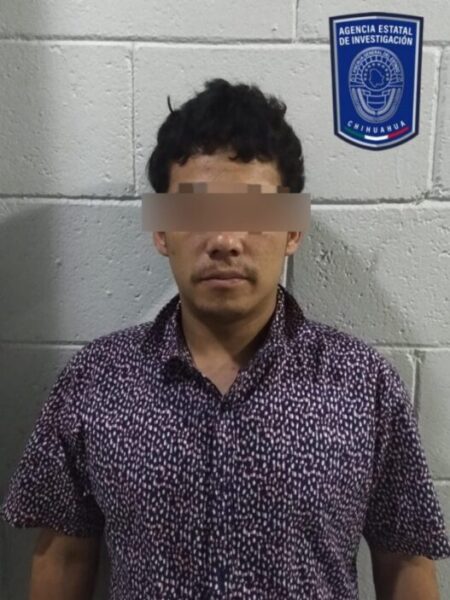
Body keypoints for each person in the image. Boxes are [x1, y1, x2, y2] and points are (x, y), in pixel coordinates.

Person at [1, 78, 450, 599]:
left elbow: (404, 562)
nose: (224, 241)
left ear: (293, 229)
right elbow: (63, 555)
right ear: (161, 231)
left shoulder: (362, 385)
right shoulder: (96, 381)